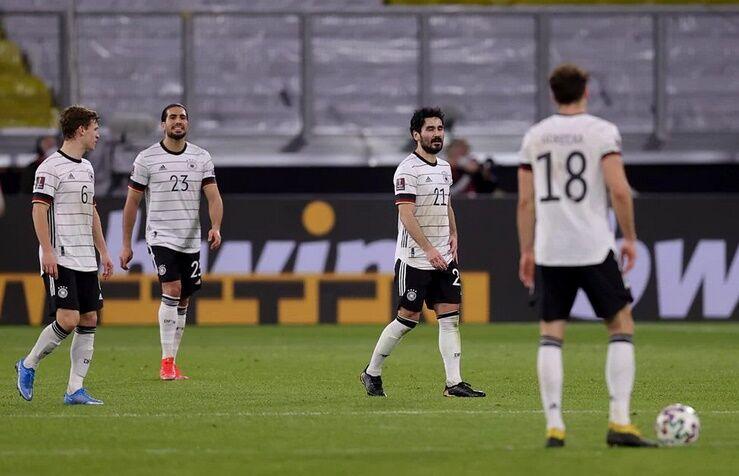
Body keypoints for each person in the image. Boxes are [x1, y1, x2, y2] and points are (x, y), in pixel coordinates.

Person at [517, 64, 655, 448]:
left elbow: (525, 201)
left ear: (553, 94)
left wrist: (526, 249)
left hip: (550, 249)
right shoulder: (602, 132)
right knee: (621, 325)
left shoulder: (535, 136)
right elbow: (619, 191)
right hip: (593, 246)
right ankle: (619, 422)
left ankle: (555, 426)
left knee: (551, 333)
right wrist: (629, 237)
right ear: (586, 92)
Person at [360, 107, 485, 398]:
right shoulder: (407, 169)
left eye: (440, 129)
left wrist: (454, 233)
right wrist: (428, 249)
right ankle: (372, 372)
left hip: (444, 256)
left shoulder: (444, 168)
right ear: (416, 135)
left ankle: (453, 383)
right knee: (407, 320)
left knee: (450, 317)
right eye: (430, 129)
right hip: (415, 258)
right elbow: (406, 214)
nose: (436, 134)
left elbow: (446, 204)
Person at [15, 106, 114, 405]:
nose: (98, 135)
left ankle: (74, 390)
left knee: (89, 318)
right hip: (61, 255)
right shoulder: (50, 167)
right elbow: (38, 210)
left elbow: (91, 211)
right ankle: (28, 363)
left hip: (86, 257)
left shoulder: (87, 168)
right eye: (95, 129)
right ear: (81, 130)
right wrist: (47, 250)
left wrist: (103, 251)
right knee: (68, 319)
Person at [119, 103, 223, 381]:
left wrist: (215, 227)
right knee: (173, 288)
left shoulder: (201, 157)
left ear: (188, 123)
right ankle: (166, 363)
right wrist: (126, 243)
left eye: (183, 117)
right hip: (160, 236)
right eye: (173, 117)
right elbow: (132, 203)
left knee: (184, 297)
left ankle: (173, 362)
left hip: (190, 239)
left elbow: (213, 197)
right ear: (163, 124)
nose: (178, 121)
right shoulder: (147, 159)